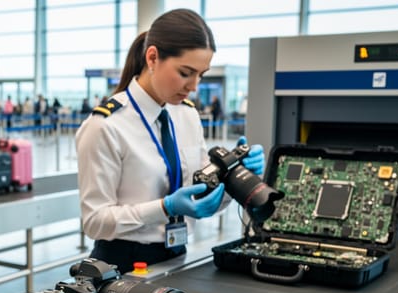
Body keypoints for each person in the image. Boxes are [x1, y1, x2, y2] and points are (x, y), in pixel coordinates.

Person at [75, 9, 264, 273]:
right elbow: (95, 222)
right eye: (185, 72)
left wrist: (235, 180)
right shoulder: (105, 126)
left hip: (177, 256)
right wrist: (165, 208)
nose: (194, 86)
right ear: (152, 57)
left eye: (201, 74)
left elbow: (200, 194)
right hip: (121, 264)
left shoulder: (186, 115)